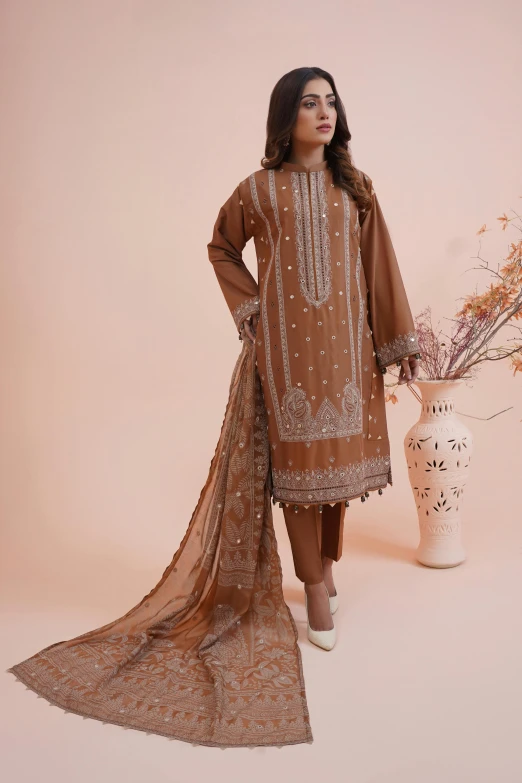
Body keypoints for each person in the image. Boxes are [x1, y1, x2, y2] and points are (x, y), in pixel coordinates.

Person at [207, 66, 421, 650]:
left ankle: (327, 564)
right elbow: (221, 247)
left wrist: (398, 342)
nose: (324, 112)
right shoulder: (258, 189)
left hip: (349, 348)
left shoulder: (355, 185)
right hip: (286, 352)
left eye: (331, 102)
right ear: (286, 116)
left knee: (338, 465)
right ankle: (314, 587)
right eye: (309, 103)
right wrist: (251, 308)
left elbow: (380, 264)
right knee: (300, 469)